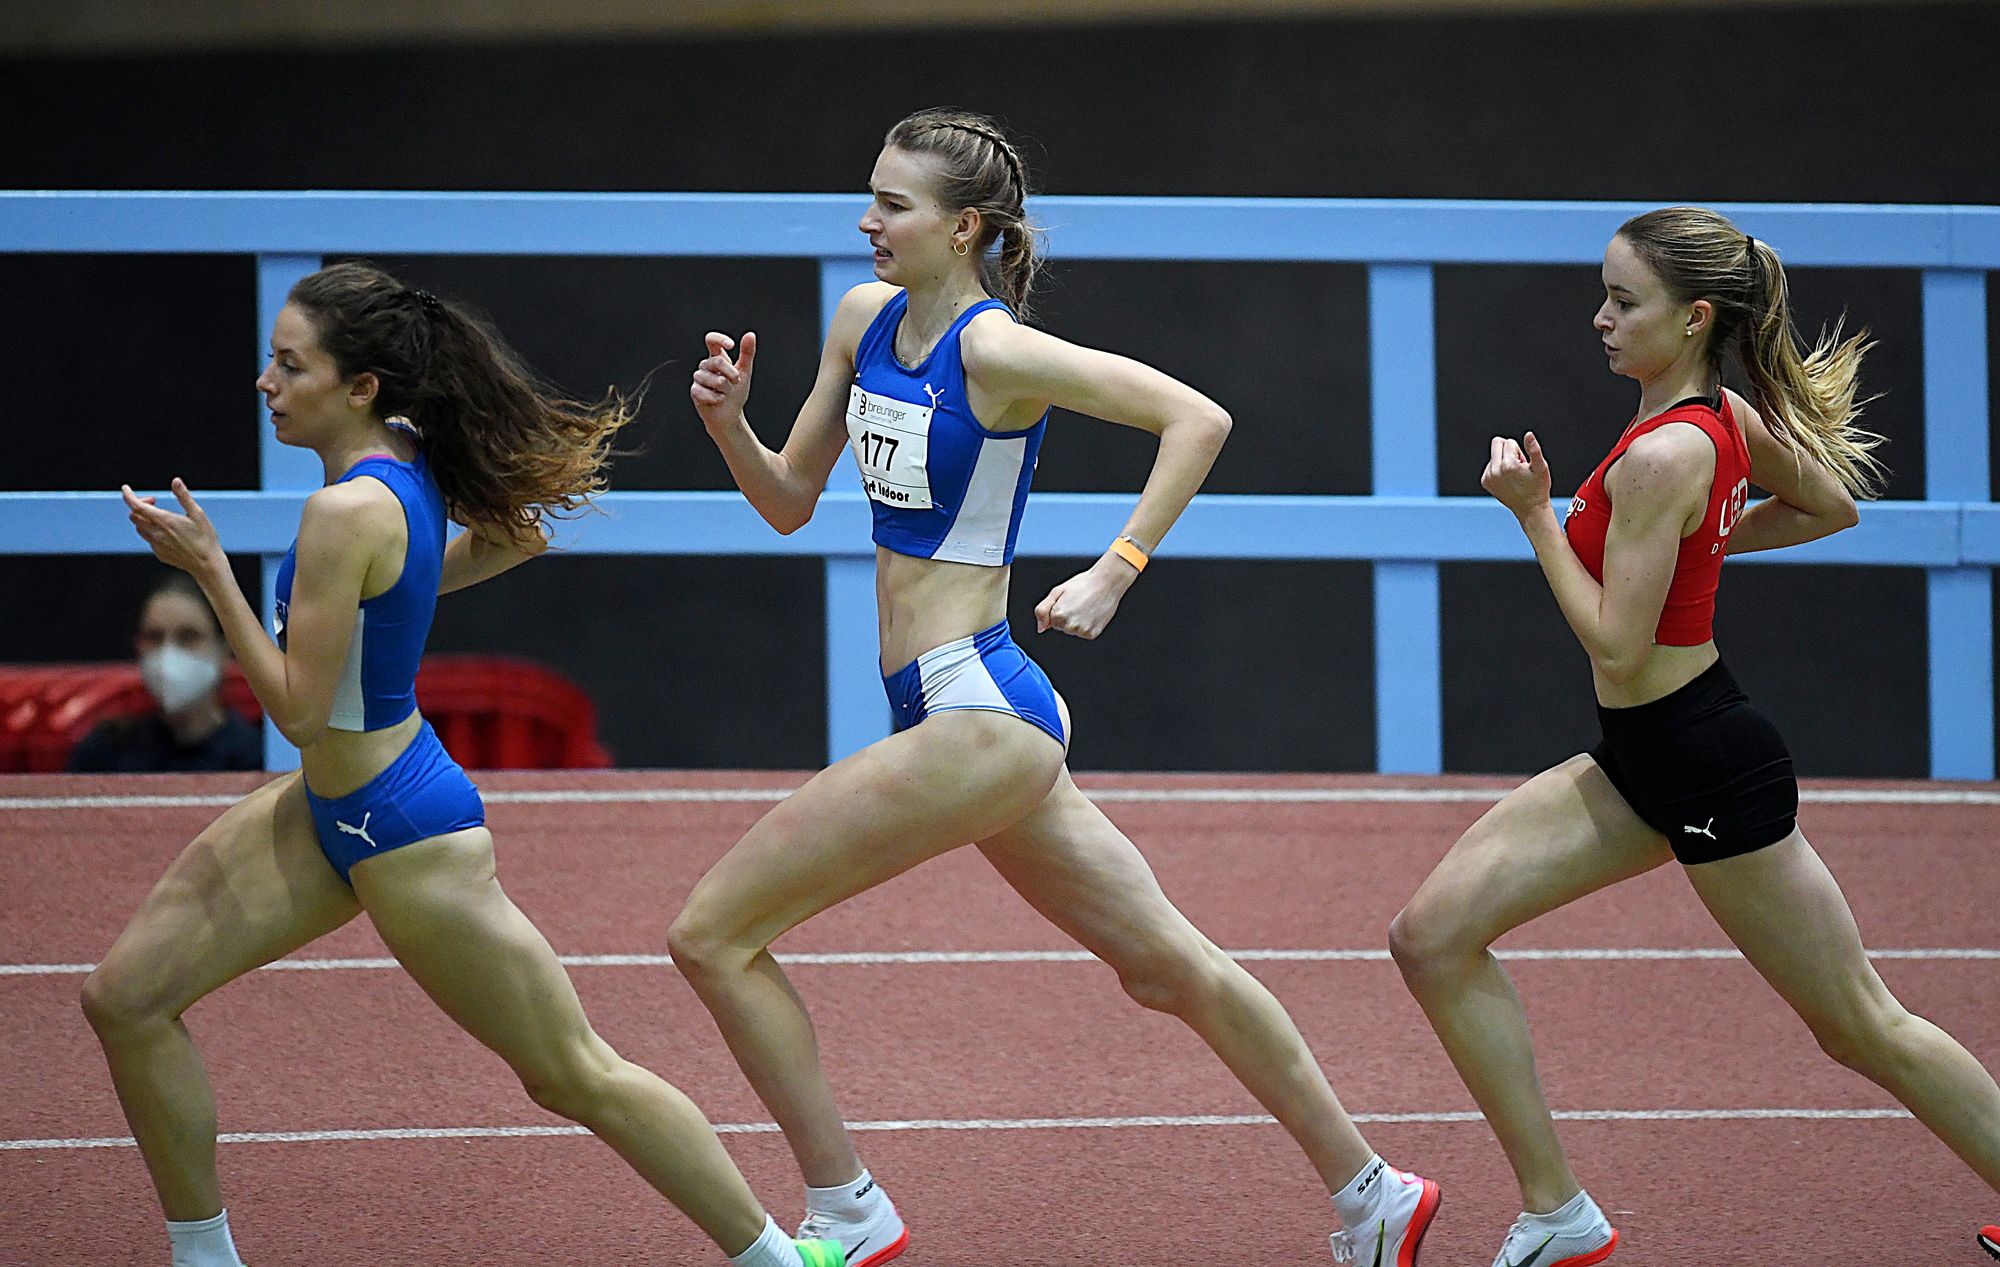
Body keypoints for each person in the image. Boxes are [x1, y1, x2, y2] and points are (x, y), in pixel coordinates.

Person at [674, 106, 1439, 1267]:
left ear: (962, 227)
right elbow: (786, 500)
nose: (866, 219)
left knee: (712, 934)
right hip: (954, 711)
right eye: (870, 195)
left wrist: (1114, 568)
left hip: (977, 709)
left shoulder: (997, 352)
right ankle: (1373, 1193)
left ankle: (846, 1211)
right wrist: (729, 426)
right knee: (1166, 966)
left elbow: (1196, 417)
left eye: (891, 204)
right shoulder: (860, 320)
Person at [86, 262, 842, 1267]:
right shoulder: (402, 458)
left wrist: (212, 572)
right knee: (125, 998)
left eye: (290, 365)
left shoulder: (345, 511)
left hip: (405, 828)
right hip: (327, 812)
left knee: (574, 1072)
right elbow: (510, 539)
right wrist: (393, 596)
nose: (265, 382)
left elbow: (299, 711)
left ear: (360, 386)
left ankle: (778, 1259)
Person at [1386, 206, 2000, 1265]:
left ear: (1694, 317)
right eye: (1604, 295)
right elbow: (1825, 507)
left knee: (1859, 1023)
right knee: (1430, 935)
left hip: (1706, 761)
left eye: (1623, 301)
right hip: (1644, 757)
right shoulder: (1717, 418)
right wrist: (1690, 551)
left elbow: (1617, 646)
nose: (1600, 318)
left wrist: (1533, 517)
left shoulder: (1666, 453)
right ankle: (1557, 1212)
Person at [66, 572, 262, 773]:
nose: (169, 653)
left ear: (224, 649)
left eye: (188, 636)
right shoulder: (104, 754)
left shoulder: (259, 758)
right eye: (154, 637)